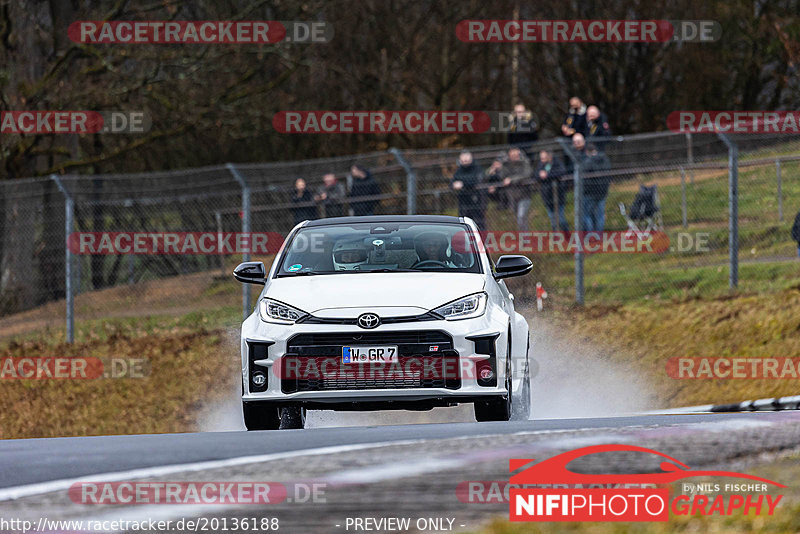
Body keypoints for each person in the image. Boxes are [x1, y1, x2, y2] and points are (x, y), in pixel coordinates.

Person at [573, 133, 611, 232]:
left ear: (587, 151)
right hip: (603, 191)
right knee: (600, 215)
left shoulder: (587, 162)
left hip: (589, 192)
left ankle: (591, 236)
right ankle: (599, 235)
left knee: (587, 215)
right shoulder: (605, 160)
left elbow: (583, 177)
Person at [498, 147, 534, 232]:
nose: (514, 156)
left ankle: (525, 240)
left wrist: (512, 180)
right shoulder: (506, 164)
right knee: (519, 219)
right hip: (512, 195)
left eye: (516, 154)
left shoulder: (525, 162)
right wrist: (501, 166)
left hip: (524, 194)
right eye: (512, 154)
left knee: (521, 216)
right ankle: (524, 238)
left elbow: (527, 174)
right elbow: (502, 176)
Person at [451, 151, 486, 231]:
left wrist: (463, 184)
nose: (465, 162)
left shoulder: (477, 169)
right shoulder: (459, 170)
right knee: (464, 221)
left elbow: (476, 180)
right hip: (463, 201)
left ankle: (483, 240)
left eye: (466, 160)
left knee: (478, 222)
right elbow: (453, 182)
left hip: (477, 200)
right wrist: (454, 185)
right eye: (463, 161)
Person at [536, 150, 569, 232]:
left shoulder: (557, 163)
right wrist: (540, 175)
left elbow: (562, 171)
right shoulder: (541, 165)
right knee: (552, 219)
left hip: (558, 195)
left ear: (549, 156)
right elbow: (535, 174)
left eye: (544, 158)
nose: (542, 159)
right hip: (547, 196)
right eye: (541, 158)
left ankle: (567, 234)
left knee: (560, 218)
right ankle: (556, 237)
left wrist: (547, 175)